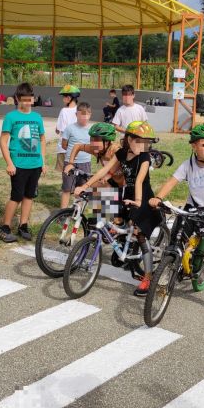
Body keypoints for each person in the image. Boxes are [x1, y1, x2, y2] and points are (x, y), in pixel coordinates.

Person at [150, 123, 204, 303]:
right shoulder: (187, 164)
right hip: (192, 209)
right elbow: (171, 182)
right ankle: (169, 273)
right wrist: (158, 197)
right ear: (194, 146)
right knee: (174, 242)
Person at [75, 120, 158, 296]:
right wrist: (86, 186)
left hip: (142, 196)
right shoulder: (121, 153)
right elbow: (103, 172)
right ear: (128, 139)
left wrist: (137, 200)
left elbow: (140, 180)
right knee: (111, 218)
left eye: (146, 142)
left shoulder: (144, 157)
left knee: (140, 235)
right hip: (127, 193)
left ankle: (148, 278)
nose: (144, 145)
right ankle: (121, 248)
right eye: (139, 140)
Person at [0, 82, 46, 243]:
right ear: (17, 99)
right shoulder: (11, 117)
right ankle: (5, 227)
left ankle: (23, 225)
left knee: (29, 196)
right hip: (18, 164)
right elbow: (3, 141)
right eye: (23, 100)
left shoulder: (37, 117)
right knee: (16, 196)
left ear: (33, 99)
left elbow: (42, 139)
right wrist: (9, 163)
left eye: (29, 99)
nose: (26, 103)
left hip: (35, 164)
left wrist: (43, 161)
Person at [65, 121, 124, 190]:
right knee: (88, 192)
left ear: (107, 141)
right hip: (113, 181)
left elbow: (107, 169)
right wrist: (70, 163)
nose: (93, 143)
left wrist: (85, 186)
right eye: (91, 139)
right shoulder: (95, 149)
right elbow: (77, 146)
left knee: (93, 191)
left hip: (125, 185)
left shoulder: (115, 149)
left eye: (96, 140)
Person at [59, 101, 93, 208]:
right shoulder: (70, 128)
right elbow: (65, 144)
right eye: (82, 114)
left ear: (90, 115)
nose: (85, 117)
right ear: (76, 115)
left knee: (81, 189)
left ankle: (77, 212)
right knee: (67, 189)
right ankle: (62, 213)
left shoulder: (91, 130)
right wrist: (72, 154)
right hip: (70, 163)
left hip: (85, 163)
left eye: (87, 114)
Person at [55, 85, 80, 174]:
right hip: (77, 147)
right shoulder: (80, 110)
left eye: (64, 97)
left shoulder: (64, 111)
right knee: (76, 172)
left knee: (65, 171)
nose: (63, 99)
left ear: (69, 98)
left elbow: (59, 129)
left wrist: (57, 129)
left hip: (64, 147)